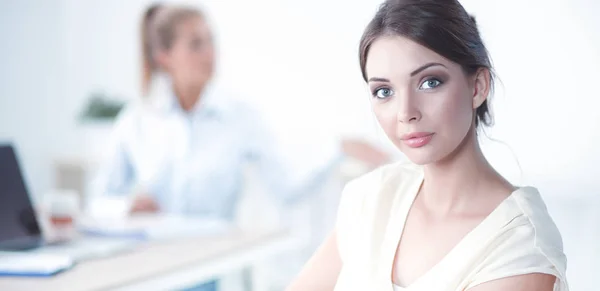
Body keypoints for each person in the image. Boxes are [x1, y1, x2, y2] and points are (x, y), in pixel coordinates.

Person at [91, 4, 390, 291]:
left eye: (211, 41)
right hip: (149, 269)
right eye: (196, 44)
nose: (210, 53)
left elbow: (286, 185)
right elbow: (98, 199)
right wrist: (126, 207)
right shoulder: (136, 121)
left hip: (211, 269)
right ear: (163, 56)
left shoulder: (240, 118)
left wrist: (337, 147)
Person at [286, 0, 568, 290]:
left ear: (478, 86)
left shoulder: (518, 244)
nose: (406, 112)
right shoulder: (371, 198)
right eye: (384, 91)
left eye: (430, 82)